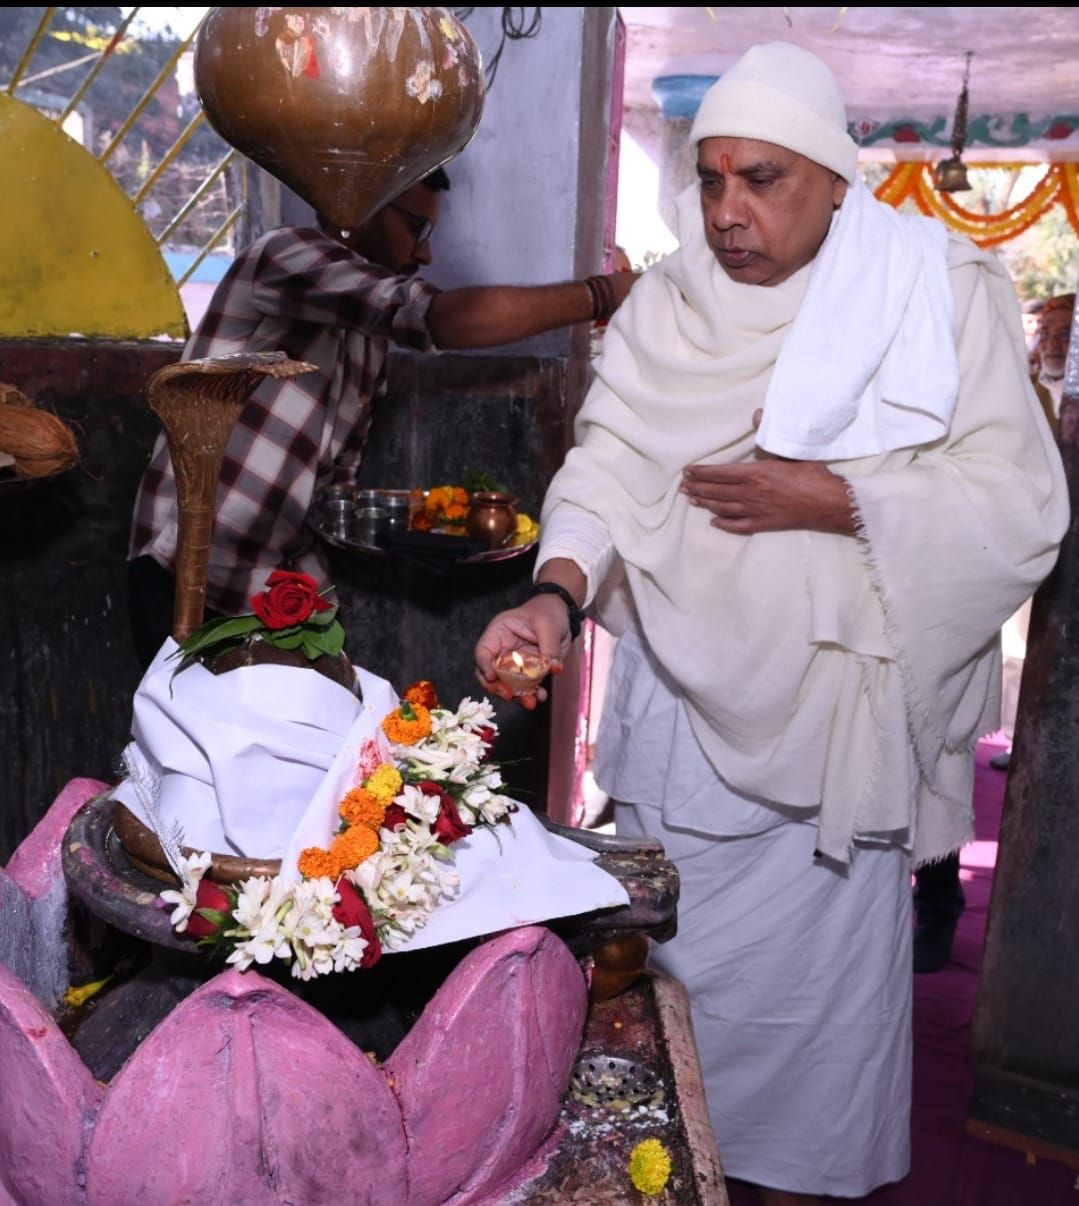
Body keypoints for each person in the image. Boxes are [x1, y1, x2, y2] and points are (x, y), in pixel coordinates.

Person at [473, 42, 1068, 1205]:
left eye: (761, 180)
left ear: (834, 179)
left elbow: (1018, 502)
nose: (727, 212)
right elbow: (606, 466)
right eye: (710, 180)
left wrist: (836, 497)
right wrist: (554, 593)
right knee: (653, 1018)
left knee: (803, 1066)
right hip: (677, 723)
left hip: (828, 737)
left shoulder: (932, 289)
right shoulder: (669, 303)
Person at [127, 167, 637, 668]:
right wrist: (605, 294)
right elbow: (443, 319)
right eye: (416, 227)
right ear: (360, 212)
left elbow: (332, 495)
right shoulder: (284, 256)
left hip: (269, 589)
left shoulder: (369, 343)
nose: (424, 253)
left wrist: (426, 533)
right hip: (186, 570)